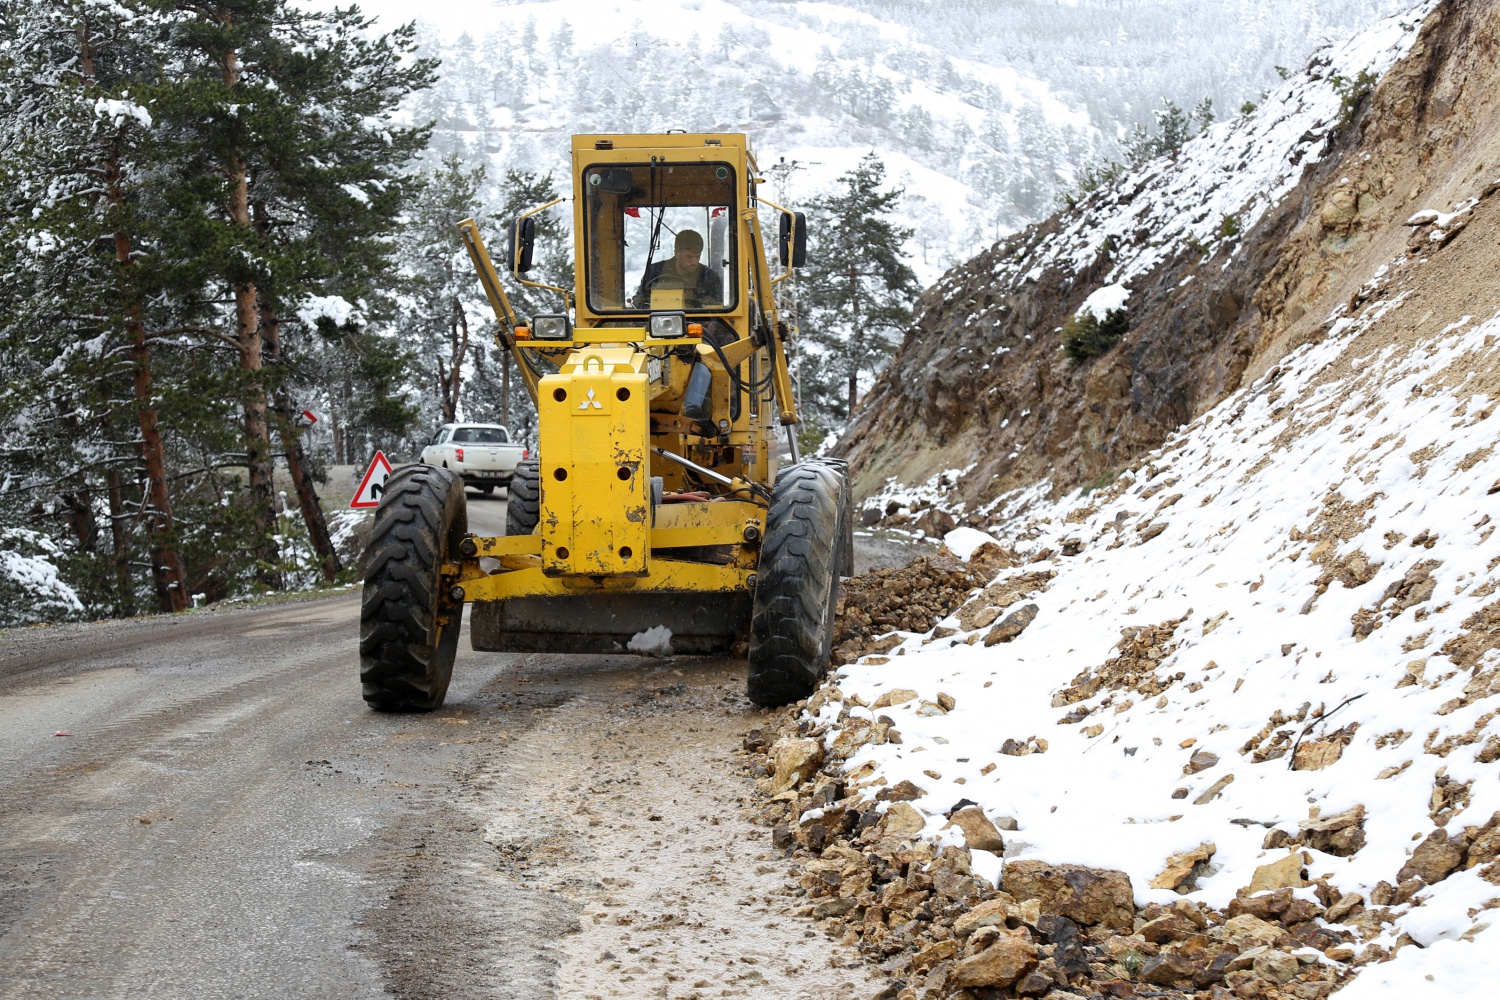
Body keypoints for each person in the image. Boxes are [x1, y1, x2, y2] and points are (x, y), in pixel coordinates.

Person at [634, 229, 723, 308]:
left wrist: (696, 301)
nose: (694, 262)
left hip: (697, 324)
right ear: (677, 253)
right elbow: (638, 300)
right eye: (689, 257)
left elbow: (717, 307)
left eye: (697, 256)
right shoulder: (654, 271)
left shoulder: (709, 276)